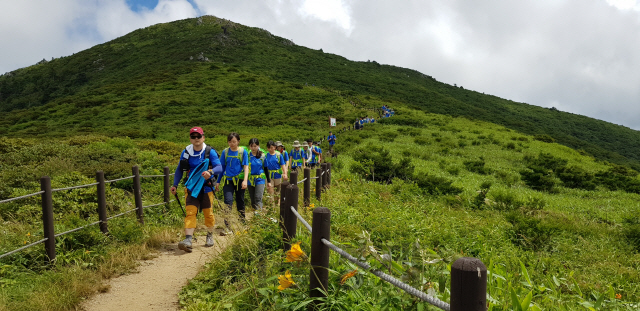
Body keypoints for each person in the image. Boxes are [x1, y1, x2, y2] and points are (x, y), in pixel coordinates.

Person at [171, 127, 223, 253]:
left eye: (198, 136)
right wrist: (175, 185)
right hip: (191, 187)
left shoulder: (209, 151)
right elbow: (179, 169)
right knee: (190, 212)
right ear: (190, 139)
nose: (196, 139)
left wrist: (210, 172)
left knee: (208, 213)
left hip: (206, 187)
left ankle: (209, 236)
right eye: (193, 137)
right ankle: (188, 240)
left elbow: (219, 167)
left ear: (203, 138)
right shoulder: (186, 152)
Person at [216, 132, 249, 230]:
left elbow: (246, 167)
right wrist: (218, 181)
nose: (232, 143)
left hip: (240, 180)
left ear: (238, 141)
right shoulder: (225, 152)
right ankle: (227, 225)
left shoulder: (243, 152)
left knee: (240, 200)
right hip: (228, 180)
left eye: (234, 141)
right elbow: (222, 167)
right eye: (230, 141)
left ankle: (242, 221)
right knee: (228, 201)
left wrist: (245, 181)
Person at [246, 138, 269, 213]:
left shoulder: (262, 155)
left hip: (260, 179)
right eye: (251, 146)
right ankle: (255, 214)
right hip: (250, 179)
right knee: (252, 199)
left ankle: (259, 216)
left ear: (258, 146)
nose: (253, 148)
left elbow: (265, 168)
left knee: (258, 198)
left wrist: (268, 181)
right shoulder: (247, 156)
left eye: (255, 146)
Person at [265, 140, 288, 206]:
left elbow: (283, 165)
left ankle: (276, 203)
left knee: (277, 192)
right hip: (269, 176)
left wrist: (285, 173)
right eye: (269, 148)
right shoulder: (266, 155)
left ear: (275, 147)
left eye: (271, 147)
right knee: (270, 190)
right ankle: (271, 206)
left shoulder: (278, 155)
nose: (270, 149)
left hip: (277, 175)